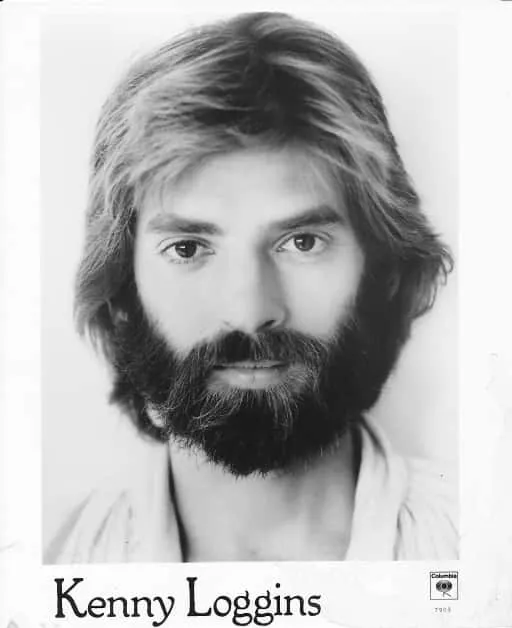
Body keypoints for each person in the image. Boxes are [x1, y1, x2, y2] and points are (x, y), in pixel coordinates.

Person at [46, 11, 456, 563]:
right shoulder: (47, 562)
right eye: (188, 248)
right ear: (121, 286)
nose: (249, 311)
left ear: (382, 269)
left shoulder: (483, 549)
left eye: (303, 242)